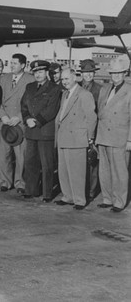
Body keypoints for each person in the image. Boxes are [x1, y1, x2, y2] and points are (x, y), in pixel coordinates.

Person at [55, 68, 97, 210]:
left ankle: (79, 200)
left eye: (67, 78)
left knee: (77, 172)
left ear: (75, 78)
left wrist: (90, 137)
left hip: (77, 138)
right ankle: (67, 196)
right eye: (62, 79)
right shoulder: (65, 94)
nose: (64, 82)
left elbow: (91, 118)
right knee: (64, 170)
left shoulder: (84, 94)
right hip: (64, 137)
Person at [21, 60, 62, 202]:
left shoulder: (54, 88)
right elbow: (24, 105)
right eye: (35, 72)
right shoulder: (29, 87)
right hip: (31, 131)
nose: (38, 75)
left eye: (40, 72)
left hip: (44, 131)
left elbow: (51, 110)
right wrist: (27, 119)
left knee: (47, 165)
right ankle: (30, 190)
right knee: (30, 162)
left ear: (46, 73)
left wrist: (36, 121)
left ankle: (47, 194)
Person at [95, 56, 131, 212]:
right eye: (113, 73)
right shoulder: (104, 89)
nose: (115, 76)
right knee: (104, 170)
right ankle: (107, 198)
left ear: (125, 73)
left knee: (119, 172)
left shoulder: (129, 91)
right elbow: (100, 113)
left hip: (120, 137)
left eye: (119, 73)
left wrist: (130, 140)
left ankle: (119, 201)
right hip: (103, 136)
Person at [0, 53, 35, 193]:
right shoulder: (3, 79)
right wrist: (3, 116)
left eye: (15, 63)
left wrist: (19, 117)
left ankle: (20, 183)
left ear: (23, 65)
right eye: (10, 63)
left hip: (20, 124)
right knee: (3, 155)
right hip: (4, 124)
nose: (11, 66)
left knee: (21, 157)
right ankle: (4, 182)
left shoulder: (30, 80)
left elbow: (32, 103)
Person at [79, 59, 102, 202]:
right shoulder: (76, 87)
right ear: (81, 73)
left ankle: (92, 191)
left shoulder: (100, 89)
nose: (88, 75)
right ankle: (81, 189)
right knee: (80, 162)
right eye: (85, 72)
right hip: (78, 131)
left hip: (94, 130)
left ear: (94, 73)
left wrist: (93, 134)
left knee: (92, 161)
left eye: (90, 72)